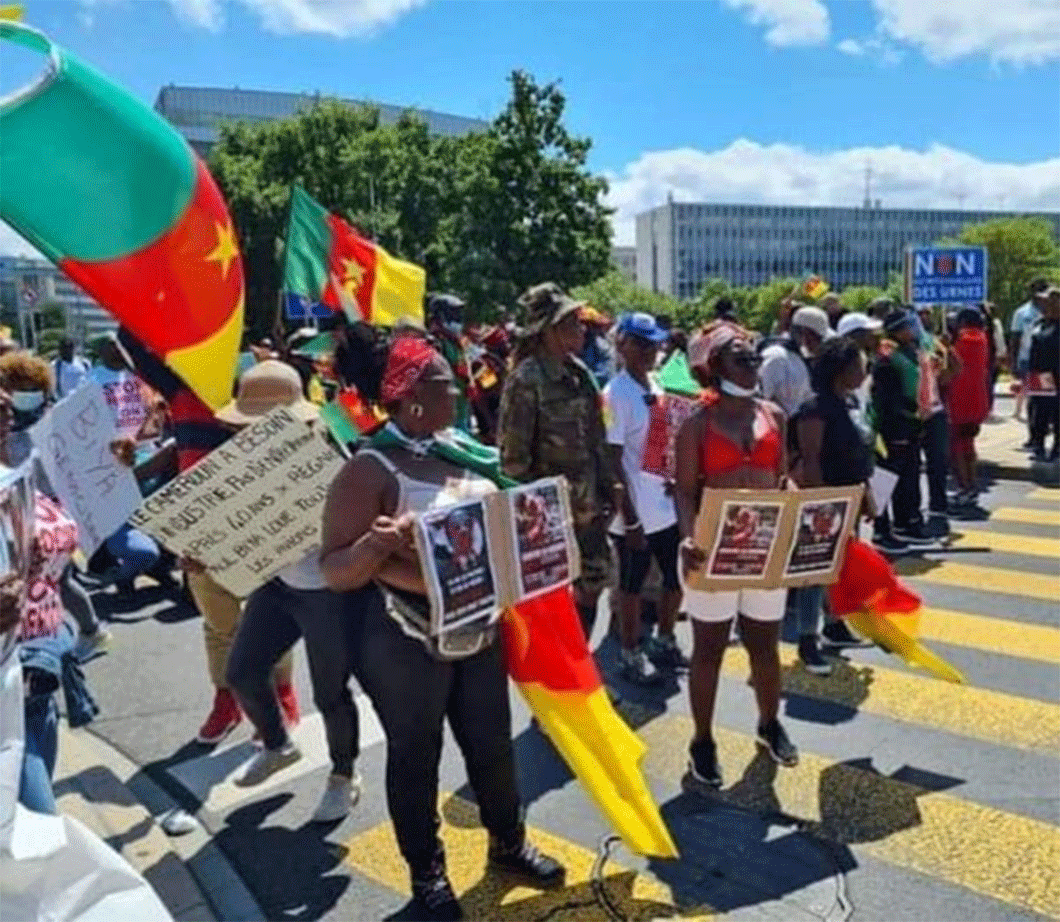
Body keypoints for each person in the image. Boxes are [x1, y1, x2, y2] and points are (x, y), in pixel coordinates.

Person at [321, 335, 564, 922]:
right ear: (409, 399)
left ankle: (507, 842)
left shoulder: (464, 452)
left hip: (477, 628)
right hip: (404, 638)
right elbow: (334, 569)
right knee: (415, 755)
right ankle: (427, 872)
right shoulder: (368, 468)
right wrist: (375, 546)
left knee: (492, 747)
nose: (456, 388)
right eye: (442, 381)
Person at [116, 330, 299, 744]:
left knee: (272, 618)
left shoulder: (257, 384)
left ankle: (282, 694)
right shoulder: (180, 387)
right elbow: (130, 336)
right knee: (218, 625)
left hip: (260, 526)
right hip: (199, 532)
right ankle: (226, 699)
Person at [217, 360, 364, 822]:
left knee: (330, 694)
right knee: (242, 670)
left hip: (326, 592)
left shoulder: (335, 461)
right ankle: (278, 745)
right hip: (278, 586)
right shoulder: (243, 462)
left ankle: (344, 774)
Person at [674, 322, 798, 790]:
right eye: (739, 356)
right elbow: (685, 493)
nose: (751, 362)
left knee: (765, 647)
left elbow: (782, 478)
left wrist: (804, 518)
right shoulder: (695, 424)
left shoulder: (774, 416)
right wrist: (689, 539)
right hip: (712, 552)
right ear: (714, 366)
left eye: (752, 355)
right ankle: (702, 740)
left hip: (764, 551)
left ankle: (769, 724)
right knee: (708, 649)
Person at [498, 282, 616, 641]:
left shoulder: (580, 374)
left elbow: (598, 439)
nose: (581, 329)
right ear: (548, 330)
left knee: (595, 579)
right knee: (552, 601)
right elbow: (513, 462)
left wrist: (609, 490)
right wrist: (530, 523)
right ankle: (564, 680)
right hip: (549, 518)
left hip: (589, 510)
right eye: (571, 322)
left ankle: (582, 665)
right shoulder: (526, 380)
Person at [0, 353, 112, 660]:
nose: (20, 397)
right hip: (16, 522)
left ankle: (86, 634)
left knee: (58, 580)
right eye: (15, 387)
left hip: (53, 522)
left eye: (30, 388)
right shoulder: (8, 428)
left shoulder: (58, 422)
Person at [603, 313, 686, 686]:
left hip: (664, 505)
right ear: (623, 345)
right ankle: (630, 652)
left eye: (655, 344)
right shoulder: (614, 394)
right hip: (635, 512)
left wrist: (672, 476)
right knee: (632, 586)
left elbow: (663, 441)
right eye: (642, 343)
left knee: (675, 575)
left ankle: (664, 640)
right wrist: (630, 517)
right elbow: (612, 458)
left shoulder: (655, 383)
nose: (651, 351)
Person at [793, 338, 877, 673]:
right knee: (815, 572)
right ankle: (807, 640)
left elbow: (860, 450)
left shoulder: (851, 401)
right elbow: (811, 460)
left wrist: (865, 492)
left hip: (850, 496)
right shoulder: (816, 408)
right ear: (840, 370)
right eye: (858, 364)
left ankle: (834, 624)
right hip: (824, 503)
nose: (863, 370)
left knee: (839, 566)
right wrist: (823, 507)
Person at [871, 309, 935, 550]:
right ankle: (882, 530)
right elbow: (887, 398)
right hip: (895, 427)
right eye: (909, 326)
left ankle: (906, 523)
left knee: (909, 478)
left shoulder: (910, 353)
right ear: (898, 330)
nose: (914, 330)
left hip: (912, 424)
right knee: (887, 479)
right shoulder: (887, 357)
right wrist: (906, 416)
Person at [914, 306, 954, 539]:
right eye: (918, 316)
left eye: (926, 315)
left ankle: (938, 506)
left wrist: (947, 351)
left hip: (935, 411)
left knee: (937, 462)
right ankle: (912, 513)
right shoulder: (895, 351)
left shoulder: (934, 343)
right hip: (913, 415)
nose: (923, 320)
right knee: (910, 467)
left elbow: (951, 373)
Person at [946, 308, 991, 504]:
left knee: (957, 447)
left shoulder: (960, 341)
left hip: (958, 397)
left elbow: (951, 366)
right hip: (977, 397)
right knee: (969, 444)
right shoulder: (982, 338)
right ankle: (971, 485)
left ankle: (964, 487)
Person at [759, 306, 830, 418]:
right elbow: (765, 398)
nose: (820, 345)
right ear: (806, 333)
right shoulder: (776, 357)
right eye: (819, 339)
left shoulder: (802, 357)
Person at [1027, 287, 1060, 462]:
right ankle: (1038, 445)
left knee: (1057, 413)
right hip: (1040, 375)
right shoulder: (1040, 323)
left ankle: (1057, 449)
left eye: (1047, 301)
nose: (1043, 304)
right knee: (1040, 411)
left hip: (1057, 375)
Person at [1010, 279, 1047, 433]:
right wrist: (1014, 362)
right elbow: (1015, 338)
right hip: (1028, 360)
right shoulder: (1022, 313)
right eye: (1037, 290)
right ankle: (1034, 434)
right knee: (1034, 398)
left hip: (1049, 361)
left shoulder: (1053, 311)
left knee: (1049, 399)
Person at [52, 336, 90, 400]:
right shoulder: (55, 365)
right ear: (60, 349)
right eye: (64, 347)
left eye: (70, 347)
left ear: (73, 348)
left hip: (83, 402)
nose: (67, 350)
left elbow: (90, 381)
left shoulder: (85, 363)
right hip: (64, 402)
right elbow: (52, 388)